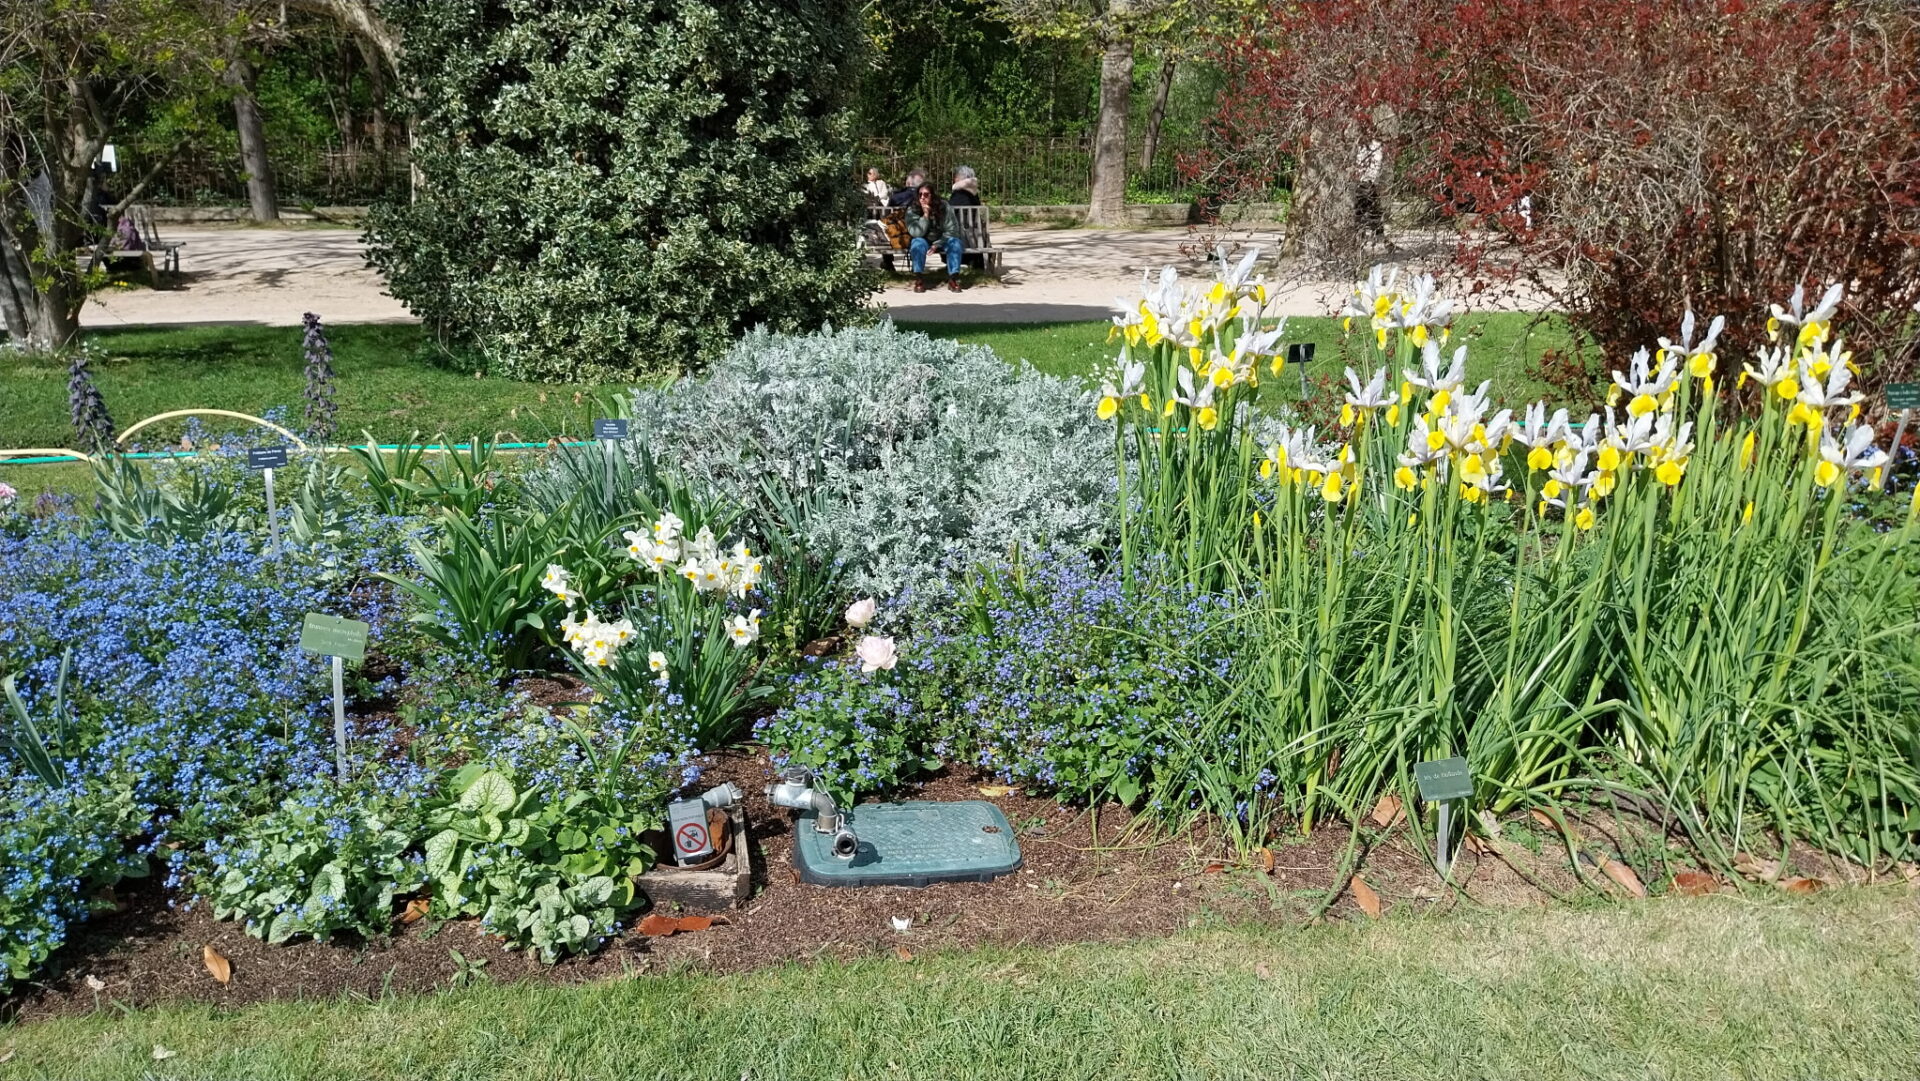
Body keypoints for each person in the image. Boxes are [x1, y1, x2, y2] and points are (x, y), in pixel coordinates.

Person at [904, 182, 963, 293]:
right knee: (917, 243)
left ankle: (953, 278)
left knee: (955, 243)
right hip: (923, 238)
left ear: (932, 195)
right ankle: (919, 278)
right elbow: (916, 232)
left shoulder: (944, 206)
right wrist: (925, 215)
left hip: (943, 239)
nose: (922, 198)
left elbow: (952, 230)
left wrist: (937, 244)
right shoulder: (913, 209)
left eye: (926, 194)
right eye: (920, 194)